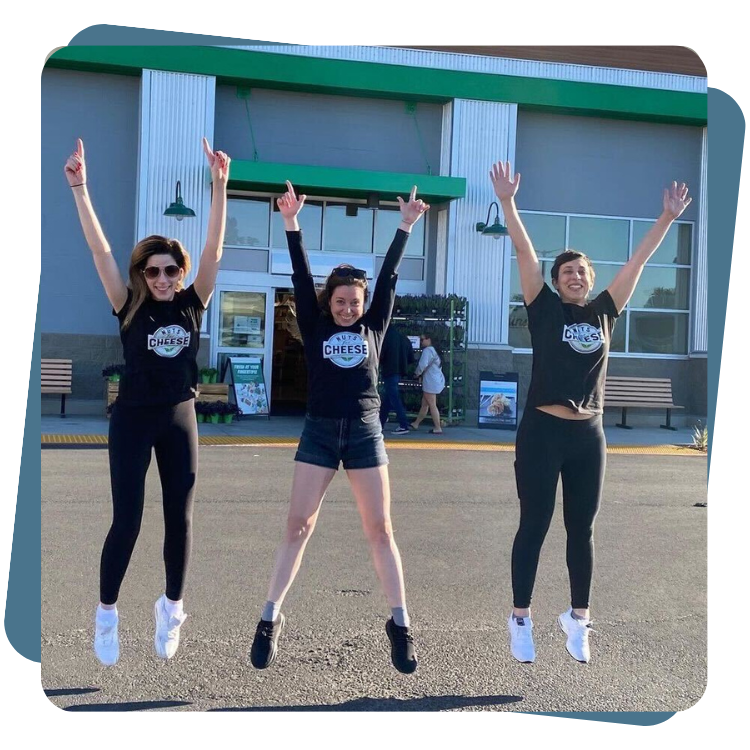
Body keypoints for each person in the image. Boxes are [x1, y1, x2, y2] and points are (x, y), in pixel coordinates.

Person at [490, 161, 691, 664]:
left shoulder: (604, 309)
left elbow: (637, 265)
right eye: (567, 272)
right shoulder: (543, 308)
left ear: (590, 279)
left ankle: (578, 619)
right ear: (556, 282)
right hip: (542, 431)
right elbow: (523, 251)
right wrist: (509, 202)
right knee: (534, 523)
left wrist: (666, 219)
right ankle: (520, 618)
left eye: (582, 271)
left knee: (582, 528)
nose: (575, 276)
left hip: (589, 436)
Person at [250, 182, 429, 674]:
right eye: (341, 301)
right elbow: (300, 272)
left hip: (367, 432)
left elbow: (390, 275)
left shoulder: (374, 326)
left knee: (380, 529)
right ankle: (269, 618)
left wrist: (405, 226)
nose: (348, 308)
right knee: (298, 525)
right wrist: (291, 223)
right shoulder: (314, 324)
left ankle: (400, 624)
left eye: (355, 302)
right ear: (329, 302)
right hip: (320, 432)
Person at [65, 137, 230, 666]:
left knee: (179, 519)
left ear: (180, 273)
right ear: (142, 275)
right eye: (153, 270)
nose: (162, 278)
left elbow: (213, 252)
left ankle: (172, 608)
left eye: (169, 269)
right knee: (128, 520)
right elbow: (100, 251)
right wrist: (80, 188)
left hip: (180, 416)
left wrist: (220, 188)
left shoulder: (192, 302)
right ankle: (107, 614)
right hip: (133, 420)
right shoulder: (127, 303)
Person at [379, 324, 415, 435]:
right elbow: (411, 357)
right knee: (388, 398)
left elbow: (381, 355)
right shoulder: (404, 338)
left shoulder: (386, 338)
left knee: (393, 397)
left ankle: (403, 425)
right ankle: (380, 424)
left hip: (389, 370)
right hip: (399, 371)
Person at [409, 335, 446, 434]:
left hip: (430, 382)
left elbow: (422, 365)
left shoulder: (428, 350)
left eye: (422, 339)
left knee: (432, 404)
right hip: (435, 380)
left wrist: (416, 374)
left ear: (429, 339)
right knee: (425, 404)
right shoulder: (434, 351)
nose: (420, 341)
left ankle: (437, 427)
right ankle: (416, 423)